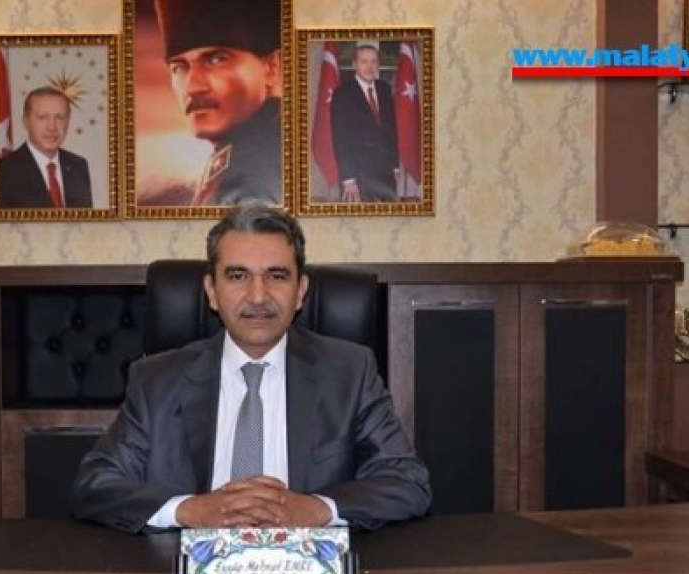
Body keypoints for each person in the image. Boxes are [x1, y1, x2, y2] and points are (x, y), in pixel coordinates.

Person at [71, 204, 431, 534]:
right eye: (238, 275)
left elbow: (407, 482)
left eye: (276, 275)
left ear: (301, 290)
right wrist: (189, 510)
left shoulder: (350, 373)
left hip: (307, 572)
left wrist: (317, 509)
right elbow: (95, 484)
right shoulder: (156, 381)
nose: (258, 296)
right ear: (211, 291)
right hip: (187, 571)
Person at [152, 0, 282, 205]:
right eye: (179, 67)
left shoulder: (259, 169)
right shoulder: (239, 155)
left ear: (271, 68)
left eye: (217, 59)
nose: (192, 87)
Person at [0, 87, 94, 209]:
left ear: (68, 122)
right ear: (26, 121)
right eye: (42, 117)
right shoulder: (3, 172)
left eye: (60, 117)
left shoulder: (78, 166)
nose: (52, 127)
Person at [330, 43, 400, 202]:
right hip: (358, 175)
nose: (369, 67)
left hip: (386, 172)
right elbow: (340, 139)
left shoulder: (385, 89)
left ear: (378, 64)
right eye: (364, 61)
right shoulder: (342, 94)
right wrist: (348, 179)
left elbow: (391, 131)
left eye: (374, 62)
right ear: (355, 64)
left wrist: (395, 166)